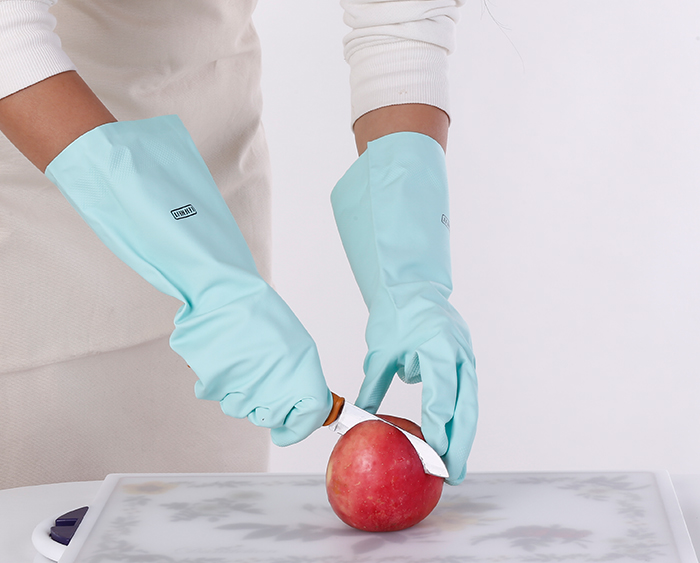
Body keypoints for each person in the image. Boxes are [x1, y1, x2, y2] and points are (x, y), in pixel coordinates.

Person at [0, 0, 478, 490]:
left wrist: (410, 273)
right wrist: (209, 280)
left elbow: (398, 20)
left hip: (218, 192)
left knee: (208, 515)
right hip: (44, 223)